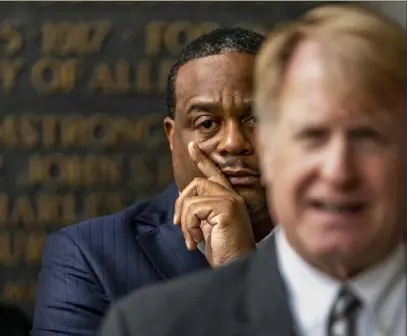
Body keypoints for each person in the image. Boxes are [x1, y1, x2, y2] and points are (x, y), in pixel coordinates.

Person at [100, 4, 407, 336]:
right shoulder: (150, 328)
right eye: (311, 137)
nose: (338, 171)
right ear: (270, 150)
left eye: (368, 137)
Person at [33, 27, 274, 336]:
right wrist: (238, 281)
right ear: (173, 139)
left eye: (256, 119)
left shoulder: (343, 247)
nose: (232, 142)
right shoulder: (89, 256)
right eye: (207, 123)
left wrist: (238, 268)